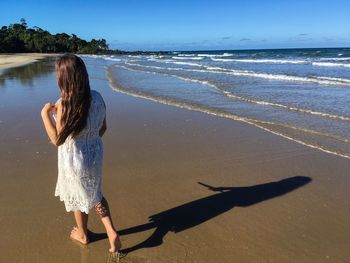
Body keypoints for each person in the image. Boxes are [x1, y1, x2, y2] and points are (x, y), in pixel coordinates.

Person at [40, 54, 121, 253]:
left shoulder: (63, 104)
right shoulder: (98, 97)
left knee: (78, 194)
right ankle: (111, 231)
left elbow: (57, 140)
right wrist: (90, 138)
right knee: (95, 192)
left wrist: (45, 115)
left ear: (63, 78)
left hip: (74, 158)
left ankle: (83, 234)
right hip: (95, 152)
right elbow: (103, 128)